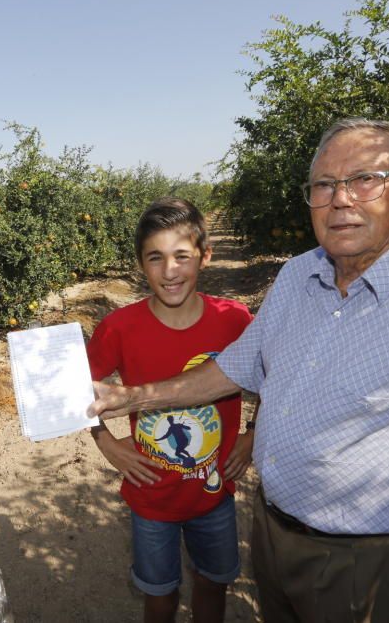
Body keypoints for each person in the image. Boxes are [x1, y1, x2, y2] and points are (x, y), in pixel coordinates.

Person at [88, 119, 389, 623]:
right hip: (273, 534)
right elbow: (229, 372)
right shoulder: (296, 276)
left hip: (374, 562)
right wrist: (127, 399)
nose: (341, 199)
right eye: (324, 185)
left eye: (365, 179)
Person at [86, 197, 254, 623]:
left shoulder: (234, 320)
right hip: (151, 497)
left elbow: (272, 374)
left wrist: (253, 434)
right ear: (141, 264)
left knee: (212, 583)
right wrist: (106, 443)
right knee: (159, 596)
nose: (170, 271)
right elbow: (76, 391)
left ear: (205, 255)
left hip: (214, 493)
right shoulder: (119, 328)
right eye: (155, 258)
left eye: (182, 256)